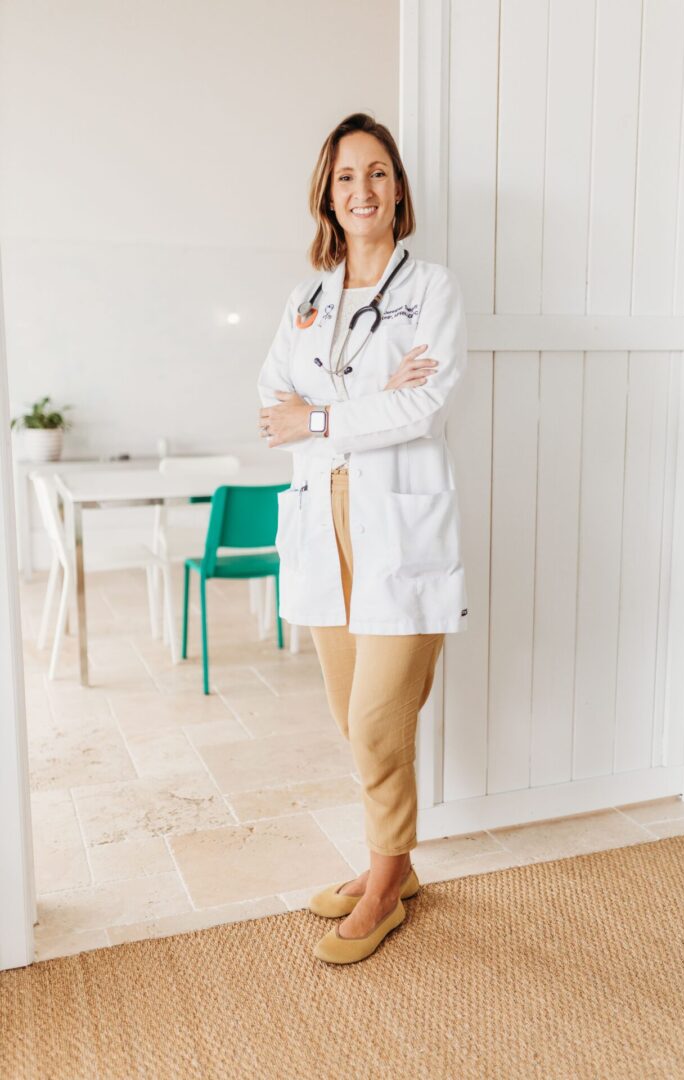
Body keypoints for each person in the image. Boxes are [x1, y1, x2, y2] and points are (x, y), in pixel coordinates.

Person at [257, 112, 468, 964]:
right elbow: (272, 407)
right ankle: (397, 864)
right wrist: (354, 411)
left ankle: (382, 889)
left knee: (383, 716)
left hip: (398, 523)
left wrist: (320, 417)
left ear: (398, 188)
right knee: (353, 717)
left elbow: (426, 403)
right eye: (347, 177)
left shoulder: (435, 291)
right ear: (328, 194)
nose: (363, 190)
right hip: (323, 520)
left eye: (377, 173)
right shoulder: (305, 300)